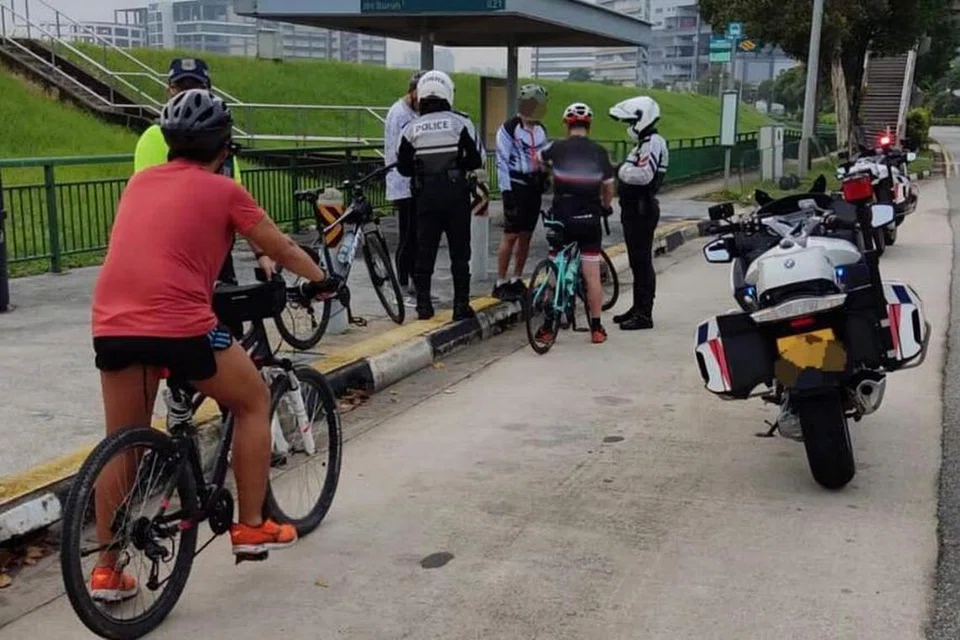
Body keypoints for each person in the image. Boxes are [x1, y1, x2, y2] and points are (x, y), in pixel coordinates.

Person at [88, 89, 341, 601]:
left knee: (125, 441)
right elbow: (280, 246)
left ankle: (107, 570)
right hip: (179, 324)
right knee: (252, 401)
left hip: (112, 322)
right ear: (223, 148)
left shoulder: (138, 184)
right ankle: (249, 527)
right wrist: (322, 279)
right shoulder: (224, 189)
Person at [133, 57, 275, 288]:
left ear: (208, 90)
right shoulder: (154, 137)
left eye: (196, 87)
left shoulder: (219, 140)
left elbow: (241, 205)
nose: (187, 94)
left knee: (228, 317)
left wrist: (262, 253)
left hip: (216, 256)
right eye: (181, 87)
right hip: (171, 260)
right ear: (169, 90)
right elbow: (147, 206)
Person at [396, 70, 484, 322]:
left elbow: (402, 167)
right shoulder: (461, 123)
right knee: (459, 252)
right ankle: (460, 306)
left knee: (425, 249)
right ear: (447, 92)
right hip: (456, 194)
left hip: (425, 196)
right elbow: (475, 159)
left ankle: (424, 305)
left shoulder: (410, 128)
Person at [537, 102, 615, 345]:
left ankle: (548, 327)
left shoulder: (556, 147)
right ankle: (596, 328)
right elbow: (609, 186)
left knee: (554, 269)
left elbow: (536, 159)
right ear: (588, 125)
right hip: (589, 218)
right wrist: (605, 205)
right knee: (591, 274)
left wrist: (548, 174)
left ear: (566, 124)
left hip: (562, 217)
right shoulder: (600, 152)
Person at [609, 96, 669, 330]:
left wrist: (620, 169)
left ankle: (645, 314)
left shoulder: (654, 142)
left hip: (643, 208)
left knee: (642, 261)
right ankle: (637, 307)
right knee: (636, 261)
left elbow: (643, 175)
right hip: (633, 208)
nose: (628, 126)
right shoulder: (643, 144)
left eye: (630, 121)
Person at [493, 83, 550, 300]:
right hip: (515, 185)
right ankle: (500, 281)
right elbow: (501, 162)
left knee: (526, 235)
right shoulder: (509, 129)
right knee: (511, 235)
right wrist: (506, 193)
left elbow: (544, 156)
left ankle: (517, 278)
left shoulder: (540, 130)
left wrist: (545, 175)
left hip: (533, 187)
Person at [384, 70, 425, 303]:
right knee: (408, 236)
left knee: (416, 236)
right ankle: (402, 285)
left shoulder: (409, 112)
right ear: (413, 92)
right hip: (403, 182)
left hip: (411, 182)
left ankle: (413, 283)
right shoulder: (400, 114)